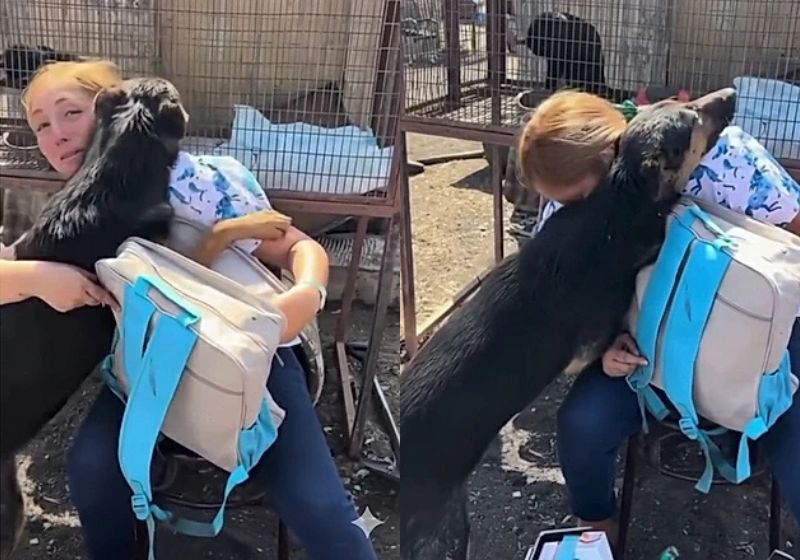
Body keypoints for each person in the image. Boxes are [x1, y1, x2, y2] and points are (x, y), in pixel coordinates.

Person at [6, 59, 378, 560]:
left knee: (318, 506)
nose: (55, 134)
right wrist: (35, 277)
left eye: (71, 112)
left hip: (243, 357)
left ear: (116, 107)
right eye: (40, 125)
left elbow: (297, 246)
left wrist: (306, 293)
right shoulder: (78, 207)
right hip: (148, 366)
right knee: (93, 470)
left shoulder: (207, 180)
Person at [515, 90, 800, 544]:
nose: (571, 214)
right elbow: (568, 308)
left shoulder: (730, 162)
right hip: (653, 358)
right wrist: (605, 348)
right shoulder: (568, 210)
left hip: (759, 350)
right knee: (582, 426)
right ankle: (596, 538)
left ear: (618, 159)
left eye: (581, 199)